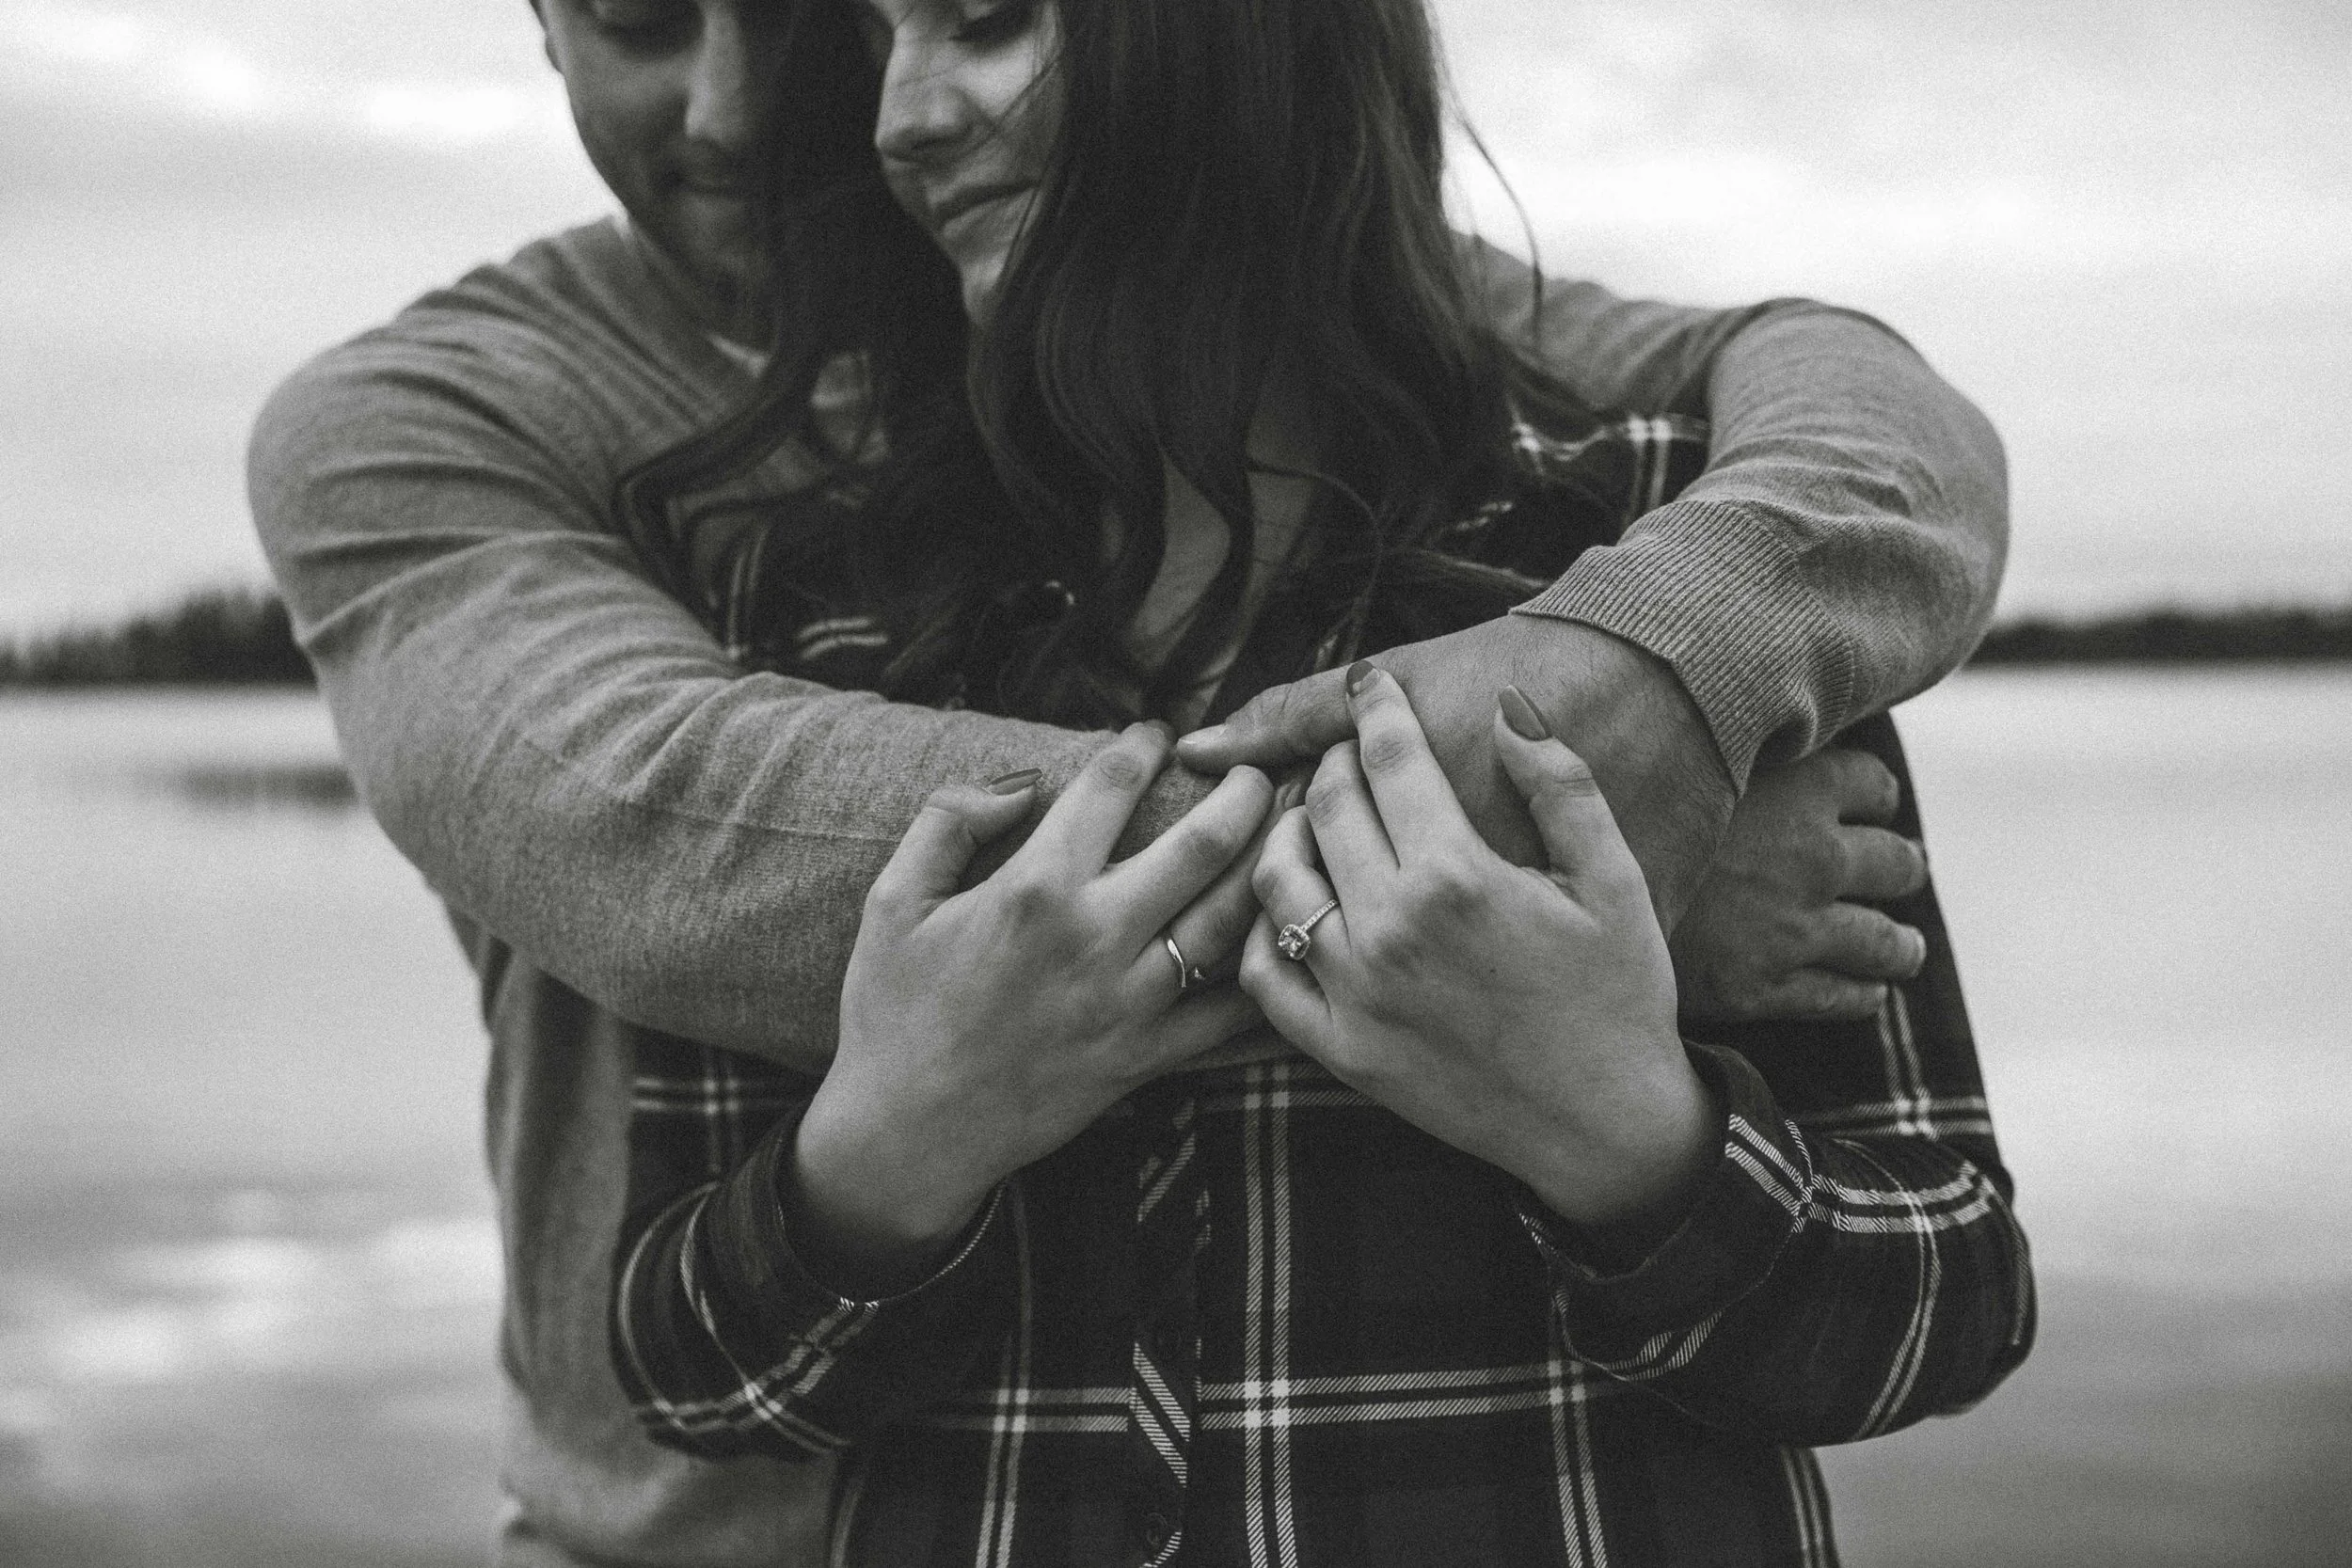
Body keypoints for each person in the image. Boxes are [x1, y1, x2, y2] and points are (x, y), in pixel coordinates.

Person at [246, 1, 2012, 1562]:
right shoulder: (551, 468)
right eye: (637, 17)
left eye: (823, 17)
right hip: (675, 1527)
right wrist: (1509, 862)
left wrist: (1666, 677)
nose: (756, 110)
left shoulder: (1611, 517)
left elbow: (1853, 413)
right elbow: (667, 824)